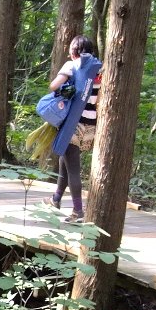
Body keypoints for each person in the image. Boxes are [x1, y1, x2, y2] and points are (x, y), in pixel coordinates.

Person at [47, 35, 103, 223]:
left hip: (73, 123)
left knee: (73, 169)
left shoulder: (71, 66)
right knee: (65, 160)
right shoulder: (99, 69)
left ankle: (78, 211)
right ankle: (56, 199)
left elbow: (53, 86)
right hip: (90, 126)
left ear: (74, 51)